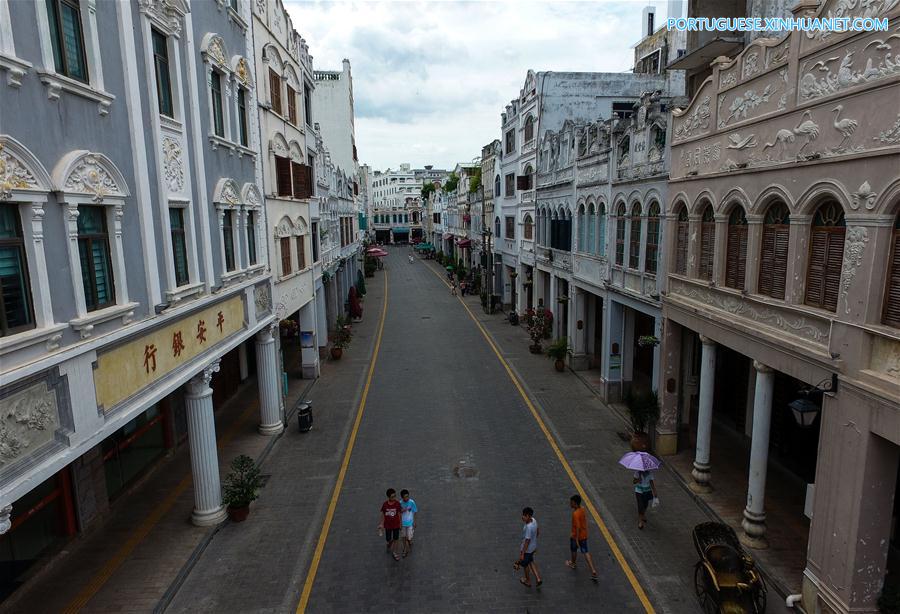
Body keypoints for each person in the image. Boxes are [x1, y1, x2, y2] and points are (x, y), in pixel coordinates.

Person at [565, 494, 598, 580]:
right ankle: (593, 570)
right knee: (585, 552)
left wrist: (576, 539)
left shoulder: (575, 514)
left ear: (575, 503)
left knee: (573, 549)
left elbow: (578, 527)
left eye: (571, 503)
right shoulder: (582, 509)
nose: (570, 504)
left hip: (576, 535)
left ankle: (573, 563)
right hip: (584, 535)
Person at [515, 507, 542, 588]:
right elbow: (538, 531)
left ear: (529, 516)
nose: (522, 517)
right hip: (533, 547)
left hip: (527, 550)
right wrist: (534, 542)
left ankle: (528, 580)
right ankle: (538, 579)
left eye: (525, 516)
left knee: (525, 565)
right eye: (523, 515)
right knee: (531, 561)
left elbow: (527, 541)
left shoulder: (528, 528)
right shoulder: (534, 520)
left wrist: (522, 553)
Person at [379, 488, 403, 560]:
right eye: (392, 497)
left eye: (395, 496)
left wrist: (400, 524)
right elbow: (383, 514)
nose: (394, 498)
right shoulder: (385, 505)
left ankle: (395, 552)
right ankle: (390, 542)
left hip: (396, 525)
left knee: (396, 539)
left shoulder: (397, 504)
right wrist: (381, 524)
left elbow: (399, 514)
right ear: (388, 497)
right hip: (388, 525)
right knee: (388, 539)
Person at [399, 489, 417, 557]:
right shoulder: (400, 503)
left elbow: (415, 512)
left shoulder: (412, 502)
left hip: (410, 523)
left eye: (407, 496)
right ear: (402, 497)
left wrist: (415, 522)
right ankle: (404, 550)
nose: (406, 498)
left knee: (409, 537)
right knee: (404, 537)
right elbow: (398, 513)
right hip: (403, 523)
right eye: (405, 497)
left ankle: (410, 541)